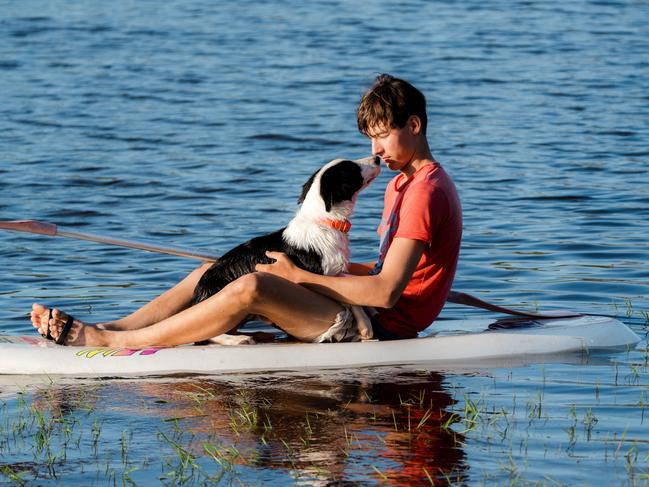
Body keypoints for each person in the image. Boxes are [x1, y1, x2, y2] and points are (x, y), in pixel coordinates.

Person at [31, 74, 462, 347]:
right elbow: (389, 270)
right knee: (214, 268)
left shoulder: (425, 192)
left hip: (385, 325)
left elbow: (387, 292)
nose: (375, 151)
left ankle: (107, 343)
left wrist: (296, 276)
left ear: (415, 125)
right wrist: (317, 268)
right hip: (370, 306)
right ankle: (119, 326)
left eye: (383, 136)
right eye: (371, 139)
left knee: (252, 286)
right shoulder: (405, 183)